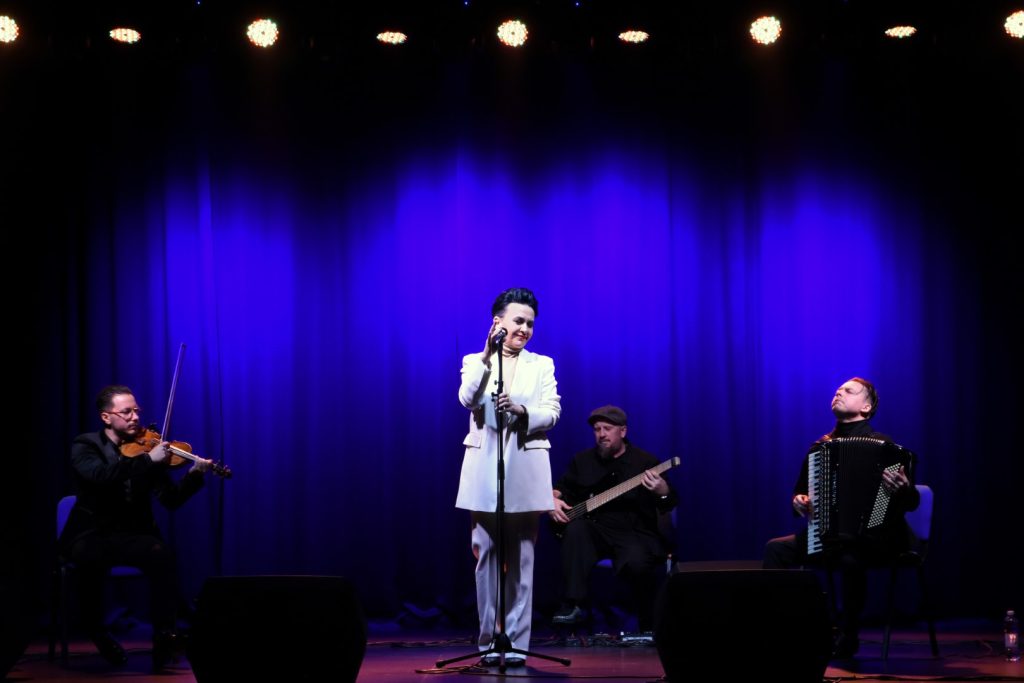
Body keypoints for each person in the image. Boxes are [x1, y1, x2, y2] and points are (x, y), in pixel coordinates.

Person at [763, 377, 919, 659]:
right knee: (776, 549)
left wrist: (904, 490)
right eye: (837, 390)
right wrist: (799, 501)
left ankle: (849, 634)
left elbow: (911, 503)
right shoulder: (820, 448)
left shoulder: (887, 449)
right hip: (828, 536)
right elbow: (800, 492)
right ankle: (779, 630)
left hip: (876, 539)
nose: (839, 393)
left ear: (866, 407)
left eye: (849, 390)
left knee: (850, 556)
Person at [59, 385, 213, 671]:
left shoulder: (150, 448)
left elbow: (170, 500)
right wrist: (147, 460)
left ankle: (164, 635)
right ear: (106, 417)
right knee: (90, 558)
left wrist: (193, 475)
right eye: (126, 412)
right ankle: (97, 631)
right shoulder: (86, 444)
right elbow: (99, 475)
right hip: (91, 532)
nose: (135, 417)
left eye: (136, 411)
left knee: (162, 554)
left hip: (131, 534)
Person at [456, 287, 560, 667]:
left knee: (522, 562)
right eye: (518, 321)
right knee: (485, 558)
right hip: (484, 469)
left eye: (530, 323)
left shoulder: (542, 364)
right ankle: (488, 642)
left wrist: (522, 410)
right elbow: (467, 399)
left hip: (525, 468)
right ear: (497, 322)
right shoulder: (474, 361)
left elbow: (552, 411)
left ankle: (515, 643)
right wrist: (487, 356)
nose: (525, 329)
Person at [548, 405, 677, 633]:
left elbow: (668, 503)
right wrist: (551, 500)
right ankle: (573, 605)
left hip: (633, 532)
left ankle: (648, 624)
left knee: (639, 563)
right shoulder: (582, 461)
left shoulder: (645, 462)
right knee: (576, 530)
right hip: (595, 530)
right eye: (597, 429)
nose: (601, 434)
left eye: (607, 429)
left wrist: (662, 490)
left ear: (623, 431)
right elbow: (561, 489)